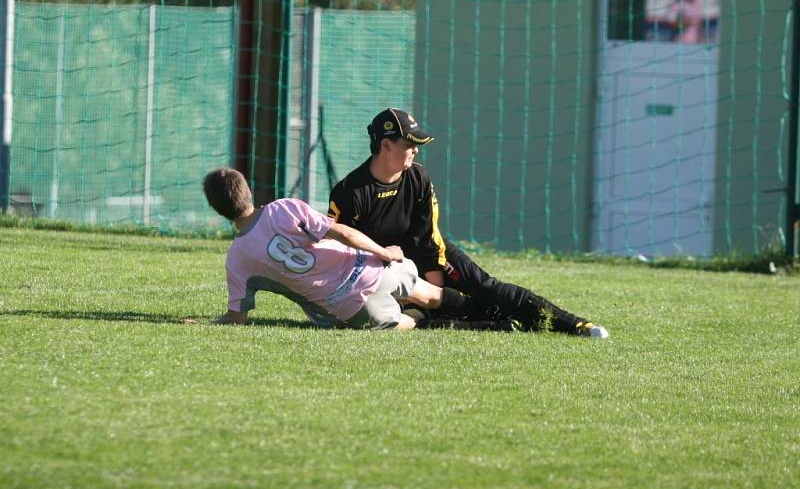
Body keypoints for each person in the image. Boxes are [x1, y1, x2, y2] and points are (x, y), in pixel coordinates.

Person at [327, 108, 609, 338]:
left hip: (427, 253)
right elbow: (339, 249)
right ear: (386, 145)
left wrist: (434, 279)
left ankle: (574, 325)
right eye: (410, 145)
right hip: (381, 267)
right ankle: (497, 324)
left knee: (487, 287)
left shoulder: (418, 177)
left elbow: (428, 233)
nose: (416, 151)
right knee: (448, 309)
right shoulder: (349, 192)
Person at [203, 167, 482, 329]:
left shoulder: (237, 259)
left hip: (347, 306)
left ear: (217, 210)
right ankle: (491, 316)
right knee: (432, 294)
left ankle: (421, 318)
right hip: (370, 268)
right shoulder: (284, 208)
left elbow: (237, 317)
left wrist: (208, 323)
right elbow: (343, 232)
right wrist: (384, 253)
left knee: (401, 324)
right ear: (248, 191)